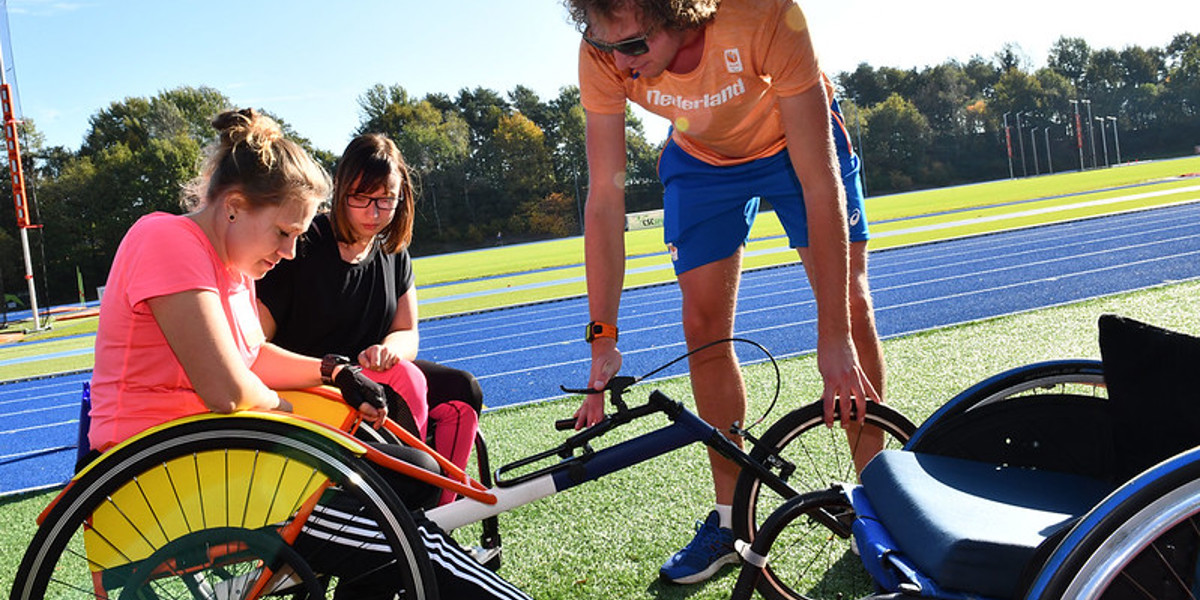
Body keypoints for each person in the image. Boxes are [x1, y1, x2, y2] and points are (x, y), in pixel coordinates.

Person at [88, 109, 527, 600]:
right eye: (284, 233)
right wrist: (287, 409)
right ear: (234, 206)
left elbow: (252, 359)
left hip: (213, 460)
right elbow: (228, 388)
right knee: (405, 536)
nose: (292, 252)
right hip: (169, 473)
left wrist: (334, 371)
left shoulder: (230, 269)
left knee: (413, 474)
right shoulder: (166, 238)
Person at [564, 0, 887, 585]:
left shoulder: (765, 15)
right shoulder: (604, 53)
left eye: (633, 46)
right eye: (605, 45)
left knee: (852, 303)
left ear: (677, 13)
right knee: (702, 327)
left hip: (796, 141)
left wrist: (832, 333)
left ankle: (880, 498)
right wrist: (603, 336)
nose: (619, 62)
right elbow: (605, 201)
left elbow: (819, 180)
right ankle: (730, 517)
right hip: (702, 160)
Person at [257, 132, 482, 506]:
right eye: (360, 198)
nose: (373, 213)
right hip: (316, 382)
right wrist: (334, 370)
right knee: (408, 379)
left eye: (385, 200)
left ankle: (442, 510)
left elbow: (407, 332)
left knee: (464, 389)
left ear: (401, 197)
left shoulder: (393, 250)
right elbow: (256, 346)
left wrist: (387, 349)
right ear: (341, 189)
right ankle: (416, 497)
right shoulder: (303, 244)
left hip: (374, 376)